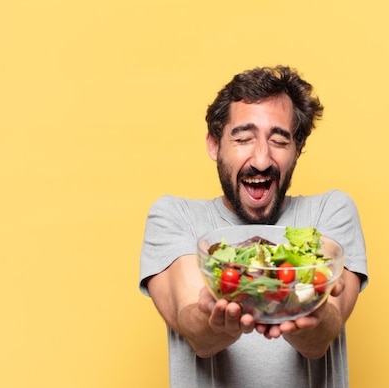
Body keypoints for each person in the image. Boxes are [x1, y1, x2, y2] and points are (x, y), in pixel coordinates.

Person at [139, 65, 368, 387]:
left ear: (298, 150)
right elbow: (198, 337)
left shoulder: (330, 211)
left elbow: (319, 342)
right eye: (243, 138)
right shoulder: (176, 217)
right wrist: (216, 319)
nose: (261, 159)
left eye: (279, 140)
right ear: (215, 145)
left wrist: (309, 308)